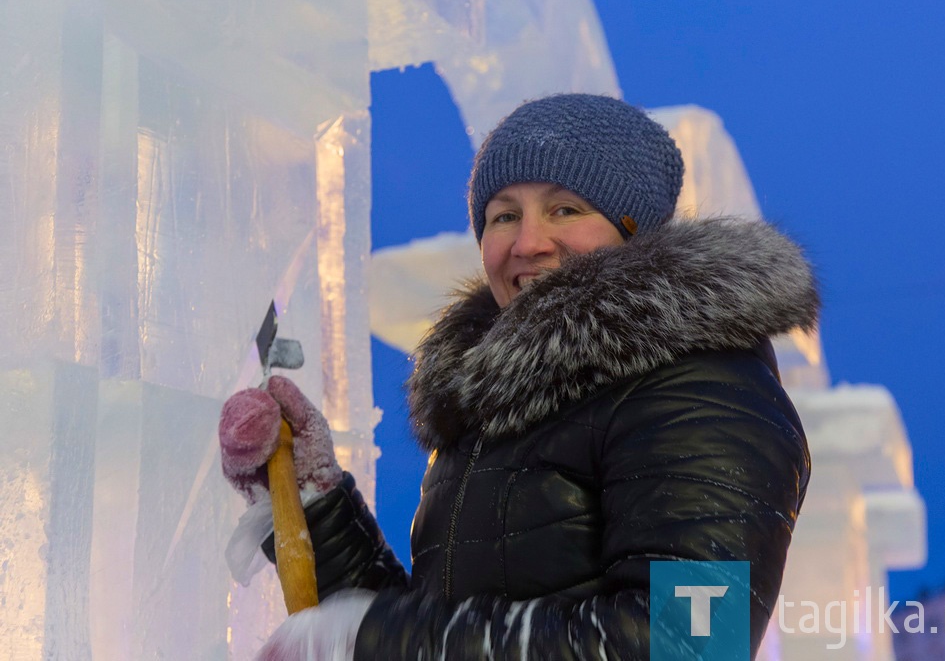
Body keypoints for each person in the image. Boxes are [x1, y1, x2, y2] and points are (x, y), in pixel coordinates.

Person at [219, 93, 818, 659]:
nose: (528, 242)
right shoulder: (496, 408)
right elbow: (442, 624)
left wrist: (375, 640)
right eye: (504, 215)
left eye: (566, 208)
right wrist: (310, 503)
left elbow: (688, 641)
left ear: (636, 230)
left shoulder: (700, 386)